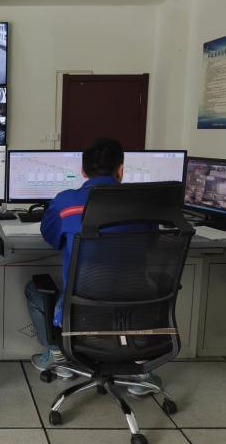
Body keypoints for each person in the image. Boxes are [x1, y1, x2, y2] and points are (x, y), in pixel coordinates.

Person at [25, 138, 161, 396]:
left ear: (83, 171)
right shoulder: (144, 203)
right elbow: (151, 242)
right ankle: (141, 370)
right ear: (121, 170)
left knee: (35, 289)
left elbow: (52, 238)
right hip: (136, 307)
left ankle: (58, 356)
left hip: (82, 309)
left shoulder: (66, 202)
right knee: (149, 283)